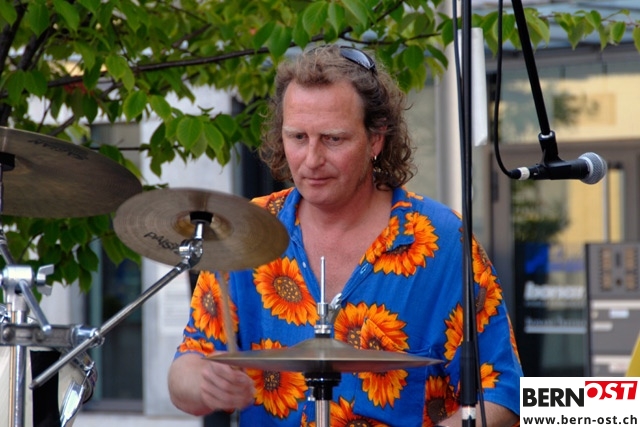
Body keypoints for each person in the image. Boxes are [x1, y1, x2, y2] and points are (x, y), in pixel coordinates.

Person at [168, 44, 522, 427]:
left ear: (376, 139)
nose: (312, 159)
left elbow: (505, 395)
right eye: (298, 137)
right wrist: (204, 383)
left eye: (333, 139)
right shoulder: (246, 230)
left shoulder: (443, 240)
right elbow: (185, 368)